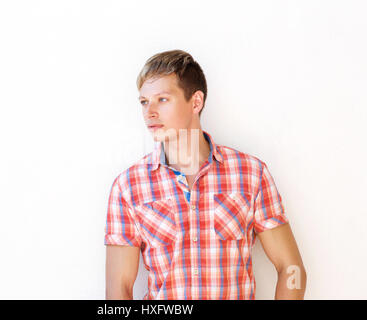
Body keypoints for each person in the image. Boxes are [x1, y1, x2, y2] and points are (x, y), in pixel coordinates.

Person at [104, 49, 306, 300]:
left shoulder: (251, 174)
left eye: (162, 99)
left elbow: (291, 268)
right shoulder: (128, 187)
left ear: (196, 102)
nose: (150, 112)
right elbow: (118, 289)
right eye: (144, 102)